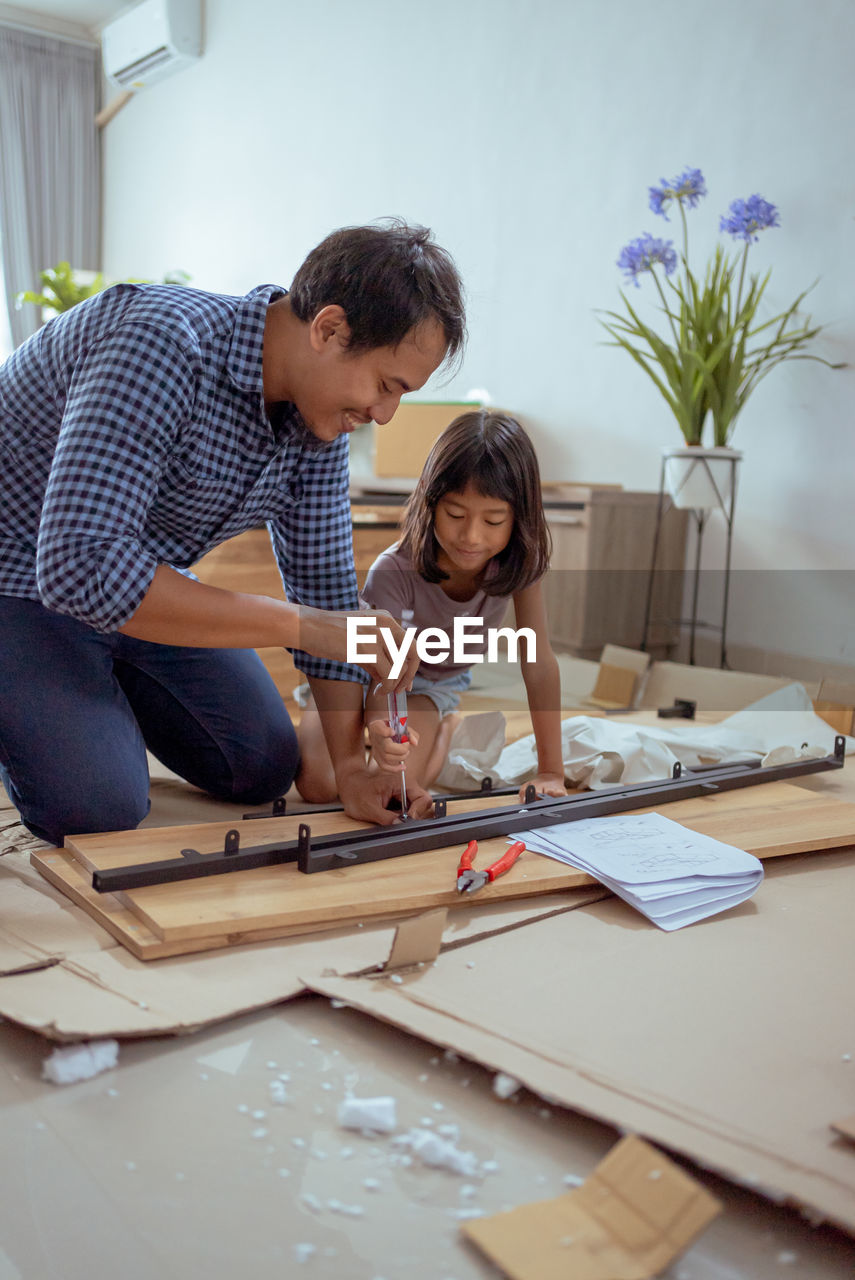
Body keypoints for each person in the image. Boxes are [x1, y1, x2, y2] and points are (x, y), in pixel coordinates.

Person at [0, 219, 465, 845]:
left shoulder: (320, 417)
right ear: (328, 329)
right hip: (21, 581)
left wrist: (352, 769)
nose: (384, 414)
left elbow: (327, 595)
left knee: (262, 767)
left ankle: (84, 695)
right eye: (386, 386)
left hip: (134, 586)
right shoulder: (160, 344)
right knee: (96, 807)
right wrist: (298, 624)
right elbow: (82, 565)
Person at [296, 410, 568, 804]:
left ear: (518, 518)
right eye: (455, 514)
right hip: (362, 676)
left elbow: (539, 662)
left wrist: (550, 771)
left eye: (493, 521)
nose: (471, 537)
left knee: (396, 789)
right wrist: (377, 726)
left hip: (430, 685)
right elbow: (378, 669)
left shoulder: (519, 565)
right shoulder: (395, 568)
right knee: (319, 785)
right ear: (431, 500)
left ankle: (443, 727)